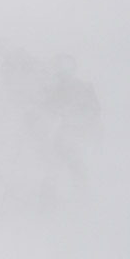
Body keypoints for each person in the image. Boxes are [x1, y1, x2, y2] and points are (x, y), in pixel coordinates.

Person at [39, 54, 101, 207]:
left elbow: (52, 107)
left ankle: (54, 199)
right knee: (70, 163)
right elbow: (94, 111)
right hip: (71, 131)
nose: (57, 72)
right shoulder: (79, 86)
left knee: (63, 162)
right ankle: (79, 197)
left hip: (73, 131)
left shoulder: (74, 87)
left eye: (59, 68)